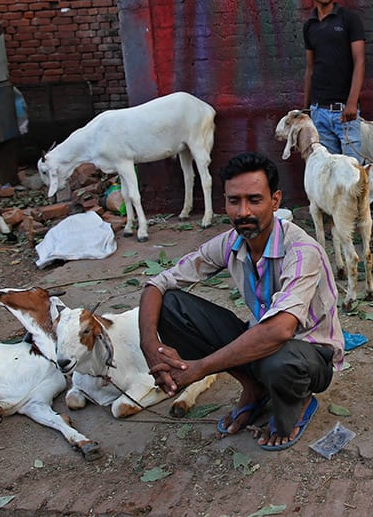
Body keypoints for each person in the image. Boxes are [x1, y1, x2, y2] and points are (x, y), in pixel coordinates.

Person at [138, 152, 342, 451]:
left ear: (275, 201)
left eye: (254, 200)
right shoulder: (229, 243)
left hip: (310, 356)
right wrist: (149, 345)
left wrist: (200, 368)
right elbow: (158, 284)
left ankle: (299, 402)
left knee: (279, 358)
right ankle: (254, 387)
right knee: (171, 306)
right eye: (234, 201)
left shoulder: (301, 251)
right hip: (262, 343)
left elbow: (280, 331)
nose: (243, 211)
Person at [303, 0, 366, 162]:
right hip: (318, 112)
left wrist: (351, 103)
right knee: (329, 173)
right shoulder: (309, 26)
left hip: (345, 112)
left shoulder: (349, 19)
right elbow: (310, 68)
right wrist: (306, 109)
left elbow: (360, 61)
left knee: (354, 173)